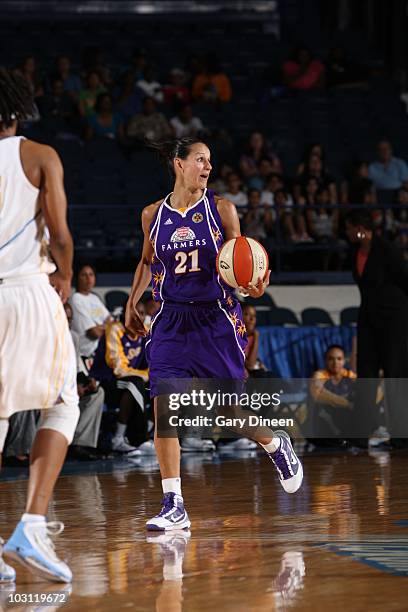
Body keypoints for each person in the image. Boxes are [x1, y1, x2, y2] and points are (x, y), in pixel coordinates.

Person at [125, 137, 303, 531]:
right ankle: (174, 503)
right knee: (164, 407)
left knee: (225, 409)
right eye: (200, 160)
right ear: (179, 164)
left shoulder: (222, 209)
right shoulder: (152, 214)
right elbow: (146, 261)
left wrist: (252, 287)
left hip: (214, 319)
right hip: (170, 318)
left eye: (210, 161)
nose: (207, 167)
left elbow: (239, 265)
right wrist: (132, 301)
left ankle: (275, 443)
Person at [0, 68, 80, 582]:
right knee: (64, 402)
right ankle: (31, 523)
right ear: (18, 107)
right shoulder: (39, 155)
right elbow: (61, 234)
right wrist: (66, 280)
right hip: (27, 291)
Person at [345, 209, 408, 445]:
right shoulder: (354, 251)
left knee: (395, 377)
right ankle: (362, 435)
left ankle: (401, 437)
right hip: (369, 321)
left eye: (350, 228)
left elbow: (405, 278)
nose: (347, 233)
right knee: (366, 376)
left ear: (362, 228)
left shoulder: (387, 250)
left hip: (393, 321)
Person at [90, 306, 153, 456]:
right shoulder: (114, 330)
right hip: (107, 380)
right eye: (134, 313)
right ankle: (119, 439)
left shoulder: (146, 332)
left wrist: (150, 376)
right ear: (126, 315)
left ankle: (150, 434)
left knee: (167, 383)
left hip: (135, 379)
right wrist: (147, 376)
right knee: (134, 384)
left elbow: (156, 363)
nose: (138, 316)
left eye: (142, 313)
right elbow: (119, 369)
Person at [64, 303, 105, 461]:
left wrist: (87, 382)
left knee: (97, 392)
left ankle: (80, 444)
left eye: (70, 319)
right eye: (64, 318)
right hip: (52, 385)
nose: (66, 322)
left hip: (70, 383)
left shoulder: (73, 336)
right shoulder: (45, 335)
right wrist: (71, 387)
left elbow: (77, 367)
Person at [308, 345, 356, 446]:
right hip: (323, 428)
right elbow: (318, 393)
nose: (335, 363)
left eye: (339, 359)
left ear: (344, 360)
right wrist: (348, 404)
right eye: (331, 359)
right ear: (325, 361)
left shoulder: (350, 376)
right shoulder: (319, 375)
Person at [70, 264, 113, 361]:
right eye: (84, 275)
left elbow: (112, 323)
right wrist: (105, 326)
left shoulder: (94, 297)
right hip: (87, 354)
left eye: (91, 274)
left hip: (103, 349)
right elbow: (94, 333)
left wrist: (100, 326)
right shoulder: (76, 299)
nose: (88, 278)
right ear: (77, 279)